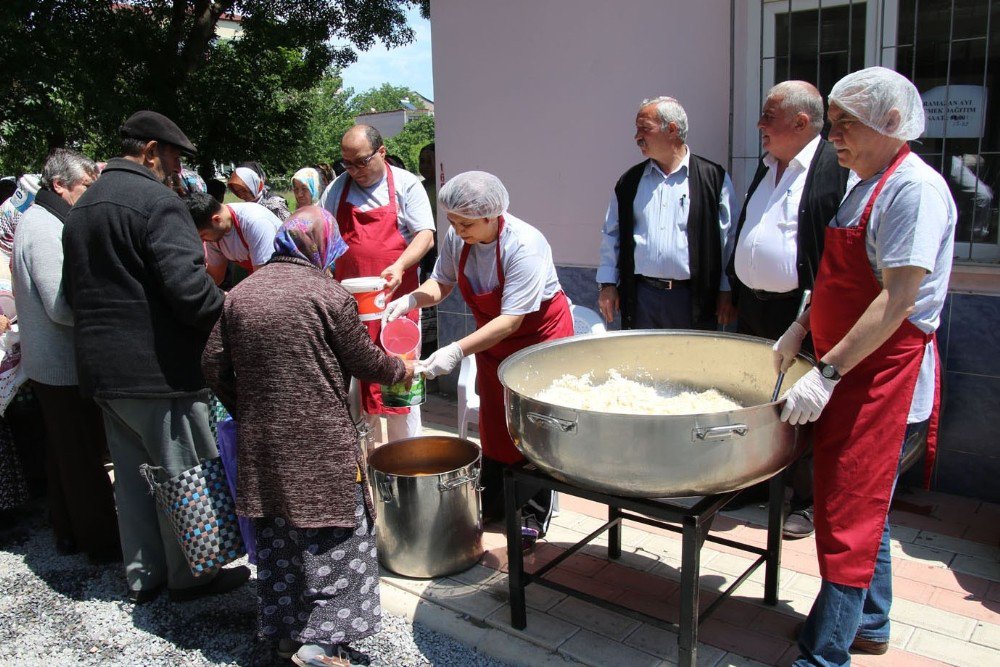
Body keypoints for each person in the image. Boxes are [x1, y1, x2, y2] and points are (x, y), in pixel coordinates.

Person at [773, 67, 955, 666]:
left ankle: (826, 654)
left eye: (847, 124)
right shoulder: (863, 184)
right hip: (845, 369)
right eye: (834, 123)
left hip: (882, 378)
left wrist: (826, 373)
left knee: (851, 509)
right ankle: (868, 622)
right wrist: (801, 327)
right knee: (852, 504)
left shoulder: (914, 192)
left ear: (893, 124)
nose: (834, 136)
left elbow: (897, 299)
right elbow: (833, 276)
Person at [202, 206, 413, 667]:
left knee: (280, 533)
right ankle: (321, 646)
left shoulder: (240, 294)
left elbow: (212, 363)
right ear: (325, 245)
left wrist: (249, 408)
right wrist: (403, 368)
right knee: (336, 536)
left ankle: (285, 634)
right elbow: (367, 362)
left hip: (263, 442)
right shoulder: (327, 294)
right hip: (321, 442)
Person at [62, 110, 249, 604]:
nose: (175, 170)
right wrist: (240, 316)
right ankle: (193, 577)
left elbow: (69, 297)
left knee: (132, 480)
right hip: (158, 370)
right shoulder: (156, 202)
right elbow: (191, 294)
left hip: (103, 373)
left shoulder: (82, 207)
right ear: (149, 152)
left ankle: (145, 576)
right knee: (183, 472)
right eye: (171, 158)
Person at [384, 171, 574, 542]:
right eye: (452, 221)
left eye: (466, 222)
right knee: (495, 422)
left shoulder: (525, 244)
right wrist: (411, 300)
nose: (457, 229)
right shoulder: (459, 238)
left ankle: (533, 516)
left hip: (537, 340)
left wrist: (455, 350)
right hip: (494, 343)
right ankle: (497, 506)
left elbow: (511, 319)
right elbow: (442, 282)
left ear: (493, 215)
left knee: (535, 427)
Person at [726, 81, 850, 539]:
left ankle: (808, 499)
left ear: (800, 122)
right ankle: (763, 483)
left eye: (768, 116)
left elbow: (834, 252)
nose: (759, 124)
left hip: (803, 312)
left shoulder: (832, 168)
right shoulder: (768, 165)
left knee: (805, 405)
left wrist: (808, 319)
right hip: (755, 308)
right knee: (761, 397)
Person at [12, 149, 120, 562]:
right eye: (84, 187)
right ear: (59, 185)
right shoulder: (45, 228)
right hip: (59, 365)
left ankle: (68, 531)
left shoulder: (39, 218)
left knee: (63, 454)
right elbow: (60, 306)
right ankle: (101, 542)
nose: (89, 196)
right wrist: (109, 313)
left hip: (49, 362)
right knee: (82, 460)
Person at [320, 125, 435, 445]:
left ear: (381, 153)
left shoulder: (406, 185)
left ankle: (408, 466)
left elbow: (426, 235)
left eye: (361, 162)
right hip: (351, 313)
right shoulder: (337, 189)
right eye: (347, 163)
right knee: (358, 399)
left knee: (401, 393)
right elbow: (321, 235)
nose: (354, 171)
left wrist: (399, 266)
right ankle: (368, 479)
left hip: (397, 311)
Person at [597, 96, 736, 330]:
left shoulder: (713, 178)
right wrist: (608, 283)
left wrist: (726, 289)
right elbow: (612, 234)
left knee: (688, 364)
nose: (637, 137)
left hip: (692, 298)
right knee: (642, 364)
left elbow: (728, 239)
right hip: (642, 297)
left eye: (645, 128)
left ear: (671, 129)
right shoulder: (630, 181)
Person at [186, 192, 282, 285]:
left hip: (280, 277)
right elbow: (215, 277)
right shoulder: (214, 231)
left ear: (216, 219)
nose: (202, 241)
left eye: (203, 235)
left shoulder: (255, 222)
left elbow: (265, 279)